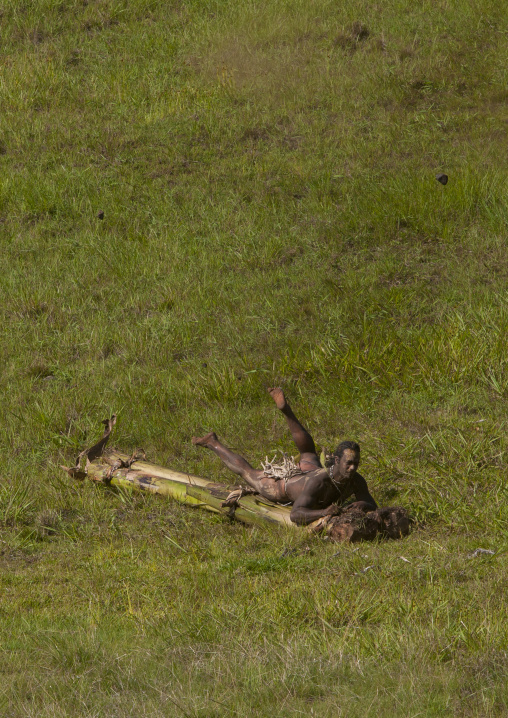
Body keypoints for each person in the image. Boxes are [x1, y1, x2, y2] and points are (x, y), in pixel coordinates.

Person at [192, 388, 377, 526]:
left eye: (356, 464)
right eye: (349, 463)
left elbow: (370, 502)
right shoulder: (319, 482)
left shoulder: (355, 479)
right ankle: (212, 442)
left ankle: (287, 411)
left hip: (310, 470)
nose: (353, 468)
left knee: (308, 453)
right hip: (283, 485)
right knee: (247, 471)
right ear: (337, 461)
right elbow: (296, 514)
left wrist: (362, 504)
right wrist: (323, 512)